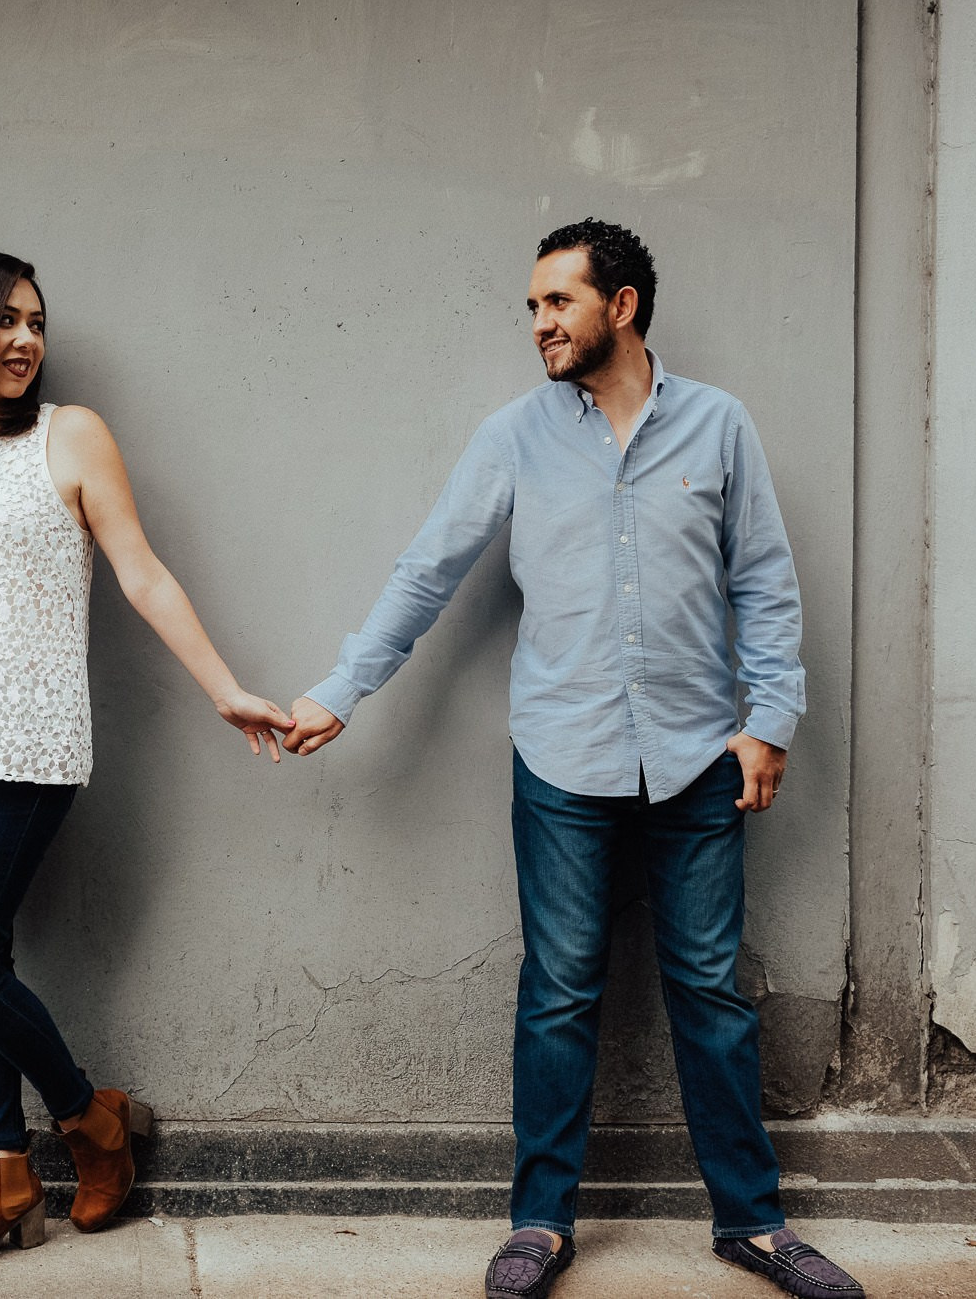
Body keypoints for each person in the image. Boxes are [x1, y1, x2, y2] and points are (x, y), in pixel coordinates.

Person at [281, 220, 865, 1299]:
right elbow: (427, 572)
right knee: (555, 993)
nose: (539, 324)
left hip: (697, 761)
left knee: (709, 993)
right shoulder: (513, 436)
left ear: (623, 306)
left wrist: (768, 724)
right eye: (533, 307)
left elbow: (765, 588)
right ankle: (540, 1225)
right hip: (561, 760)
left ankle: (750, 1224)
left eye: (556, 303)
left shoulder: (718, 427)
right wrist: (340, 689)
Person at [0, 250, 293, 1274]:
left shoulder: (69, 436)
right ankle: (1, 1178)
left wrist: (221, 684)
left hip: (25, 734)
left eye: (36, 322)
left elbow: (140, 573)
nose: (25, 340)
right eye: (5, 320)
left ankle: (89, 1121)